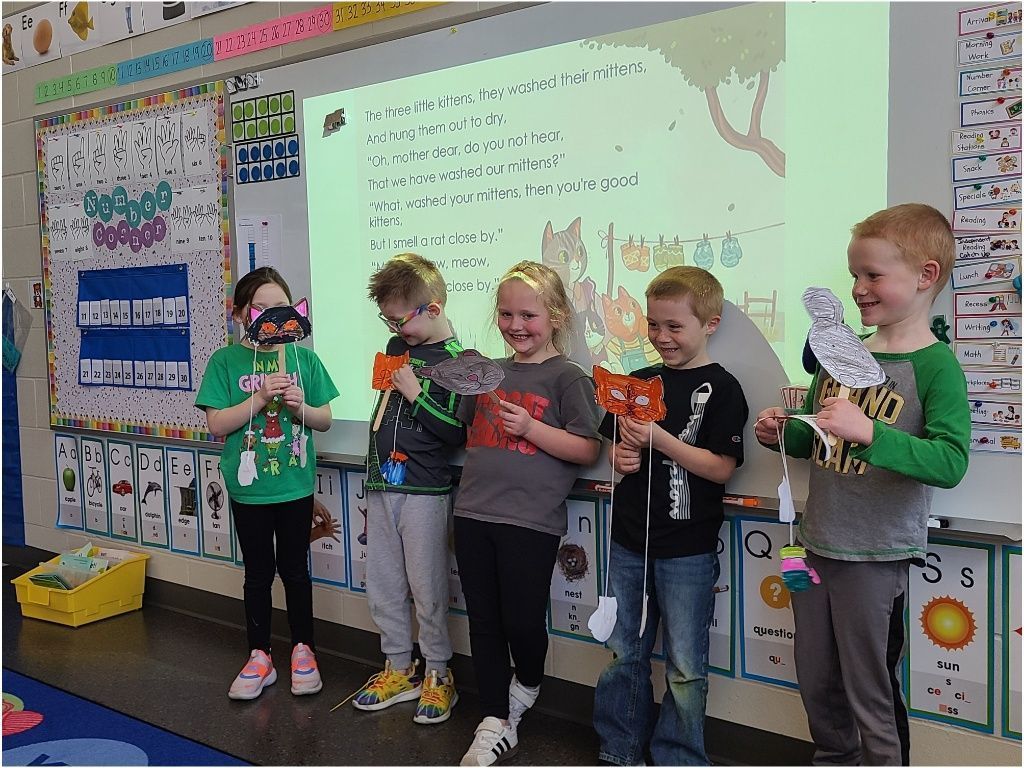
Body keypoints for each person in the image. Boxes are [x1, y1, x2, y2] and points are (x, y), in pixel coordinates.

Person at [755, 203, 970, 765]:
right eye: (854, 275)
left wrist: (871, 433)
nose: (858, 289)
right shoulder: (838, 354)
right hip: (812, 547)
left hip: (875, 557)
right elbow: (810, 441)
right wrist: (782, 432)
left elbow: (950, 462)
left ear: (926, 276)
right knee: (815, 676)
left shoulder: (935, 365)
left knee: (868, 688)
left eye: (872, 275)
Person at [592, 266, 748, 766]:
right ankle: (620, 749)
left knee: (685, 665)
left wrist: (660, 440)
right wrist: (621, 456)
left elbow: (720, 468)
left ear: (710, 323)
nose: (662, 337)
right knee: (624, 655)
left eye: (674, 326)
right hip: (629, 541)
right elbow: (614, 445)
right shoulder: (635, 382)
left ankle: (679, 756)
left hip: (688, 549)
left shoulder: (722, 388)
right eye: (654, 325)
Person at [454, 261, 602, 766]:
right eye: (505, 313)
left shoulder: (569, 378)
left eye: (528, 315)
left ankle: (528, 686)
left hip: (530, 523)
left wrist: (532, 430)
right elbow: (464, 431)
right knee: (483, 621)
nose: (515, 325)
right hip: (473, 513)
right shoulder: (488, 373)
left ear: (557, 315)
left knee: (521, 621)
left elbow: (587, 449)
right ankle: (494, 718)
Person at [195, 267, 339, 700]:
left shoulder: (303, 359)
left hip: (294, 487)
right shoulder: (225, 361)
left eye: (281, 308)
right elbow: (218, 423)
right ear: (240, 314)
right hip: (248, 489)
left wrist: (299, 409)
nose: (273, 318)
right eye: (261, 309)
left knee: (296, 572)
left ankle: (303, 651)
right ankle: (259, 655)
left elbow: (325, 420)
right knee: (258, 574)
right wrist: (257, 399)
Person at [352, 253, 465, 724]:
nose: (395, 328)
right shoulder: (396, 348)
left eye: (401, 319)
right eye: (388, 319)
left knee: (427, 587)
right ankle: (398, 665)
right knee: (383, 584)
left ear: (433, 309)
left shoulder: (460, 362)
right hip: (382, 484)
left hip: (424, 492)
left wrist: (417, 394)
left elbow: (456, 433)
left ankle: (439, 673)